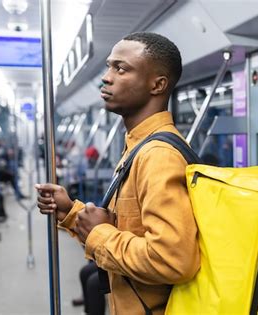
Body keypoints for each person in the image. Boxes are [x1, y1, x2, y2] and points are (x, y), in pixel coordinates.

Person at [36, 32, 200, 314]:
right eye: (109, 67)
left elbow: (173, 260)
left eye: (120, 69)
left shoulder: (158, 155)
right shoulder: (137, 146)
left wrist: (100, 234)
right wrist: (71, 213)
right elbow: (127, 229)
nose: (107, 77)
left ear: (157, 85)